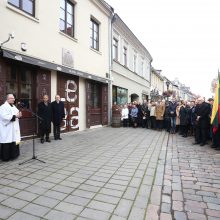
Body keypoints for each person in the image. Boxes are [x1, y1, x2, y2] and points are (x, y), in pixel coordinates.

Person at [0, 94, 22, 161]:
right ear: (7, 99)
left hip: (14, 128)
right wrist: (15, 116)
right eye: (12, 98)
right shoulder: (3, 107)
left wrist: (19, 115)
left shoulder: (13, 106)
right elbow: (4, 117)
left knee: (14, 140)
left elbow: (17, 114)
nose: (13, 99)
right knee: (7, 141)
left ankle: (14, 155)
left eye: (14, 98)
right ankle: (6, 157)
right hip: (7, 128)